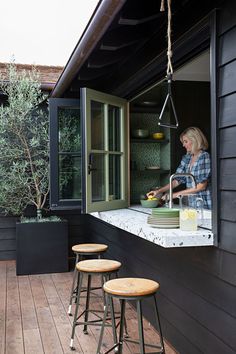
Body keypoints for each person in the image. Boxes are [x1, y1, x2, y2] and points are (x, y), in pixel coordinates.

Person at [147, 126, 211, 209]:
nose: (183, 145)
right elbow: (176, 180)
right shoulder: (187, 158)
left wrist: (173, 195)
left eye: (185, 141)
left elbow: (201, 186)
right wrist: (158, 191)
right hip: (191, 203)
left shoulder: (204, 157)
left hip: (203, 202)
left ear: (195, 140)